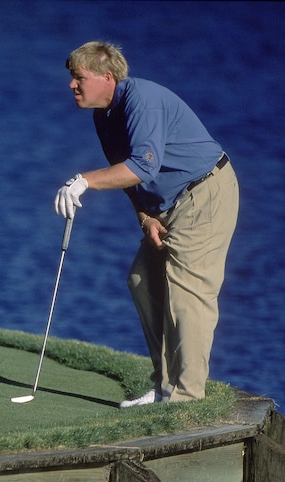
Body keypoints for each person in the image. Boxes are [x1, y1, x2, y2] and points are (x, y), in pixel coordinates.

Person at [54, 41, 238, 407]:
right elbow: (128, 176)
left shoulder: (141, 101)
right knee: (142, 279)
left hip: (205, 191)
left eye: (79, 78)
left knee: (188, 294)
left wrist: (83, 180)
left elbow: (142, 166)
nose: (71, 86)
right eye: (71, 78)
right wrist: (145, 217)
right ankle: (164, 386)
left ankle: (185, 400)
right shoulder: (102, 116)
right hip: (167, 205)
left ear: (107, 78)